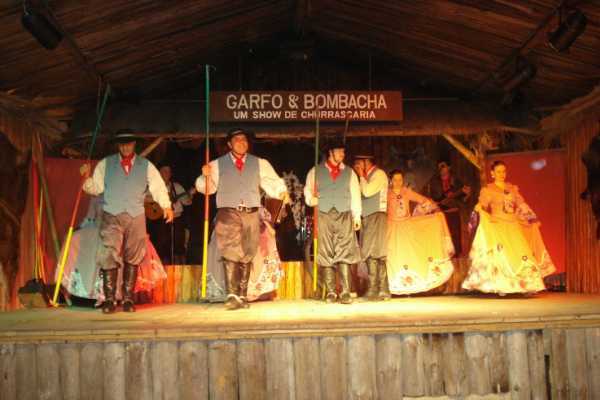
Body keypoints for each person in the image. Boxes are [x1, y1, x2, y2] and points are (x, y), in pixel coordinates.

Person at [80, 130, 174, 313]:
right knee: (109, 254)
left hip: (135, 214)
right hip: (112, 213)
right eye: (122, 144)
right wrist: (86, 179)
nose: (125, 147)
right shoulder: (106, 164)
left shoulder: (145, 165)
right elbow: (96, 188)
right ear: (118, 145)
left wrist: (166, 206)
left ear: (134, 144)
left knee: (134, 255)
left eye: (129, 143)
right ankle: (109, 300)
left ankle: (128, 299)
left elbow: (158, 187)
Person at [195, 128, 289, 310]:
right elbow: (206, 188)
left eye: (244, 139)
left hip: (251, 212)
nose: (241, 142)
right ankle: (232, 295)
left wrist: (281, 191)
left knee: (248, 252)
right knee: (230, 251)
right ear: (229, 144)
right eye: (237, 139)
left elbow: (273, 182)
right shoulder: (217, 164)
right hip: (228, 212)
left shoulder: (259, 163)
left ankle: (242, 295)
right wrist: (204, 176)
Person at [462, 161, 556, 294]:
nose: (502, 174)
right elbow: (483, 205)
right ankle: (503, 286)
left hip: (513, 225)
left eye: (504, 171)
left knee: (521, 253)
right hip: (497, 225)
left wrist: (532, 218)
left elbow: (521, 204)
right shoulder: (488, 189)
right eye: (499, 171)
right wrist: (478, 208)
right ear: (492, 173)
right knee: (502, 255)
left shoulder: (512, 188)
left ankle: (527, 285)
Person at [56, 195, 167, 305]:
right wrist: (80, 227)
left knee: (118, 243)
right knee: (75, 239)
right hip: (97, 228)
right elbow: (90, 217)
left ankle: (118, 294)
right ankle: (89, 290)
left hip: (119, 229)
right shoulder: (96, 195)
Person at [304, 137, 361, 304]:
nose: (342, 154)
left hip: (344, 214)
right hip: (324, 214)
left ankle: (344, 291)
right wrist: (312, 200)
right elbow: (308, 190)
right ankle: (330, 292)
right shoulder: (316, 171)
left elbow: (355, 194)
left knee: (344, 251)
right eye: (339, 151)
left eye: (343, 151)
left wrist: (357, 215)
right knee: (326, 250)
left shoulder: (349, 172)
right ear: (331, 152)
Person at [386, 169, 455, 295]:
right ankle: (395, 284)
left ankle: (411, 285)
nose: (398, 182)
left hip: (407, 225)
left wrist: (434, 209)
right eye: (395, 180)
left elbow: (422, 200)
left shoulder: (406, 191)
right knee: (396, 254)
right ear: (391, 180)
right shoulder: (386, 193)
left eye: (400, 179)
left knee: (409, 253)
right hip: (393, 227)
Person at [354, 154, 390, 300]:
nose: (356, 166)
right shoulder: (365, 177)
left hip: (377, 215)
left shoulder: (379, 174)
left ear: (366, 162)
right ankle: (374, 289)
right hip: (367, 217)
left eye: (359, 163)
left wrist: (361, 176)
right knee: (369, 252)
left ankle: (382, 289)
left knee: (377, 251)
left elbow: (367, 191)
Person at [147, 164, 192, 264]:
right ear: (159, 173)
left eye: (168, 172)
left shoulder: (176, 187)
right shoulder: (153, 187)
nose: (166, 174)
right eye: (164, 171)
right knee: (162, 246)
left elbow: (187, 202)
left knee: (178, 245)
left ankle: (178, 267)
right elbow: (144, 199)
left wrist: (190, 195)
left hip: (176, 219)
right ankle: (163, 267)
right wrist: (160, 201)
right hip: (160, 220)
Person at [428, 161, 472, 255]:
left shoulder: (455, 180)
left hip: (453, 210)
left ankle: (457, 254)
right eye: (440, 167)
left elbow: (463, 198)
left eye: (444, 166)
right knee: (442, 233)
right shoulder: (434, 181)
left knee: (455, 233)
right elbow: (433, 197)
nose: (442, 169)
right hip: (439, 212)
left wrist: (467, 195)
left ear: (449, 167)